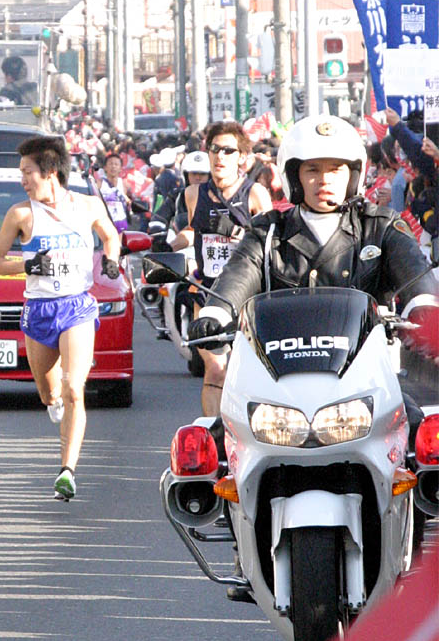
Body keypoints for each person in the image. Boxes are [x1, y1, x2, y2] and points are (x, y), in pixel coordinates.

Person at [189, 114, 439, 377]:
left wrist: (424, 307)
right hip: (278, 373)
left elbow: (414, 272)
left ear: (354, 175)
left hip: (365, 373)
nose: (324, 179)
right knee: (227, 402)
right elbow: (238, 275)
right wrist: (215, 314)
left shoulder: (381, 226)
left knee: (411, 404)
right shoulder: (268, 231)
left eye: (335, 169)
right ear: (293, 176)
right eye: (312, 170)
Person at [0, 135, 120, 501]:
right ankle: (53, 400)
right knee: (50, 394)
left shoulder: (88, 205)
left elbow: (111, 236)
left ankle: (67, 472)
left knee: (75, 388)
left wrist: (111, 259)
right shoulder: (21, 215)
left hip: (76, 306)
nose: (22, 180)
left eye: (27, 172)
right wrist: (29, 264)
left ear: (50, 172)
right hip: (39, 310)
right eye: (21, 173)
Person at [173, 121, 272, 416]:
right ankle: (213, 434)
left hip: (247, 296)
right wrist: (168, 245)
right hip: (208, 292)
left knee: (248, 371)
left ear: (242, 157)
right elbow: (193, 232)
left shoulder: (255, 193)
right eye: (215, 149)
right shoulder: (193, 193)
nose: (220, 156)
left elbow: (269, 243)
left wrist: (238, 232)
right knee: (216, 369)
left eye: (228, 150)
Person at [97, 151, 132, 233]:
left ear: (120, 168)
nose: (113, 166)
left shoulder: (125, 184)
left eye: (116, 164)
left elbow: (129, 202)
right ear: (105, 167)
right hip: (105, 223)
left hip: (120, 223)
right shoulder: (100, 183)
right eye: (111, 164)